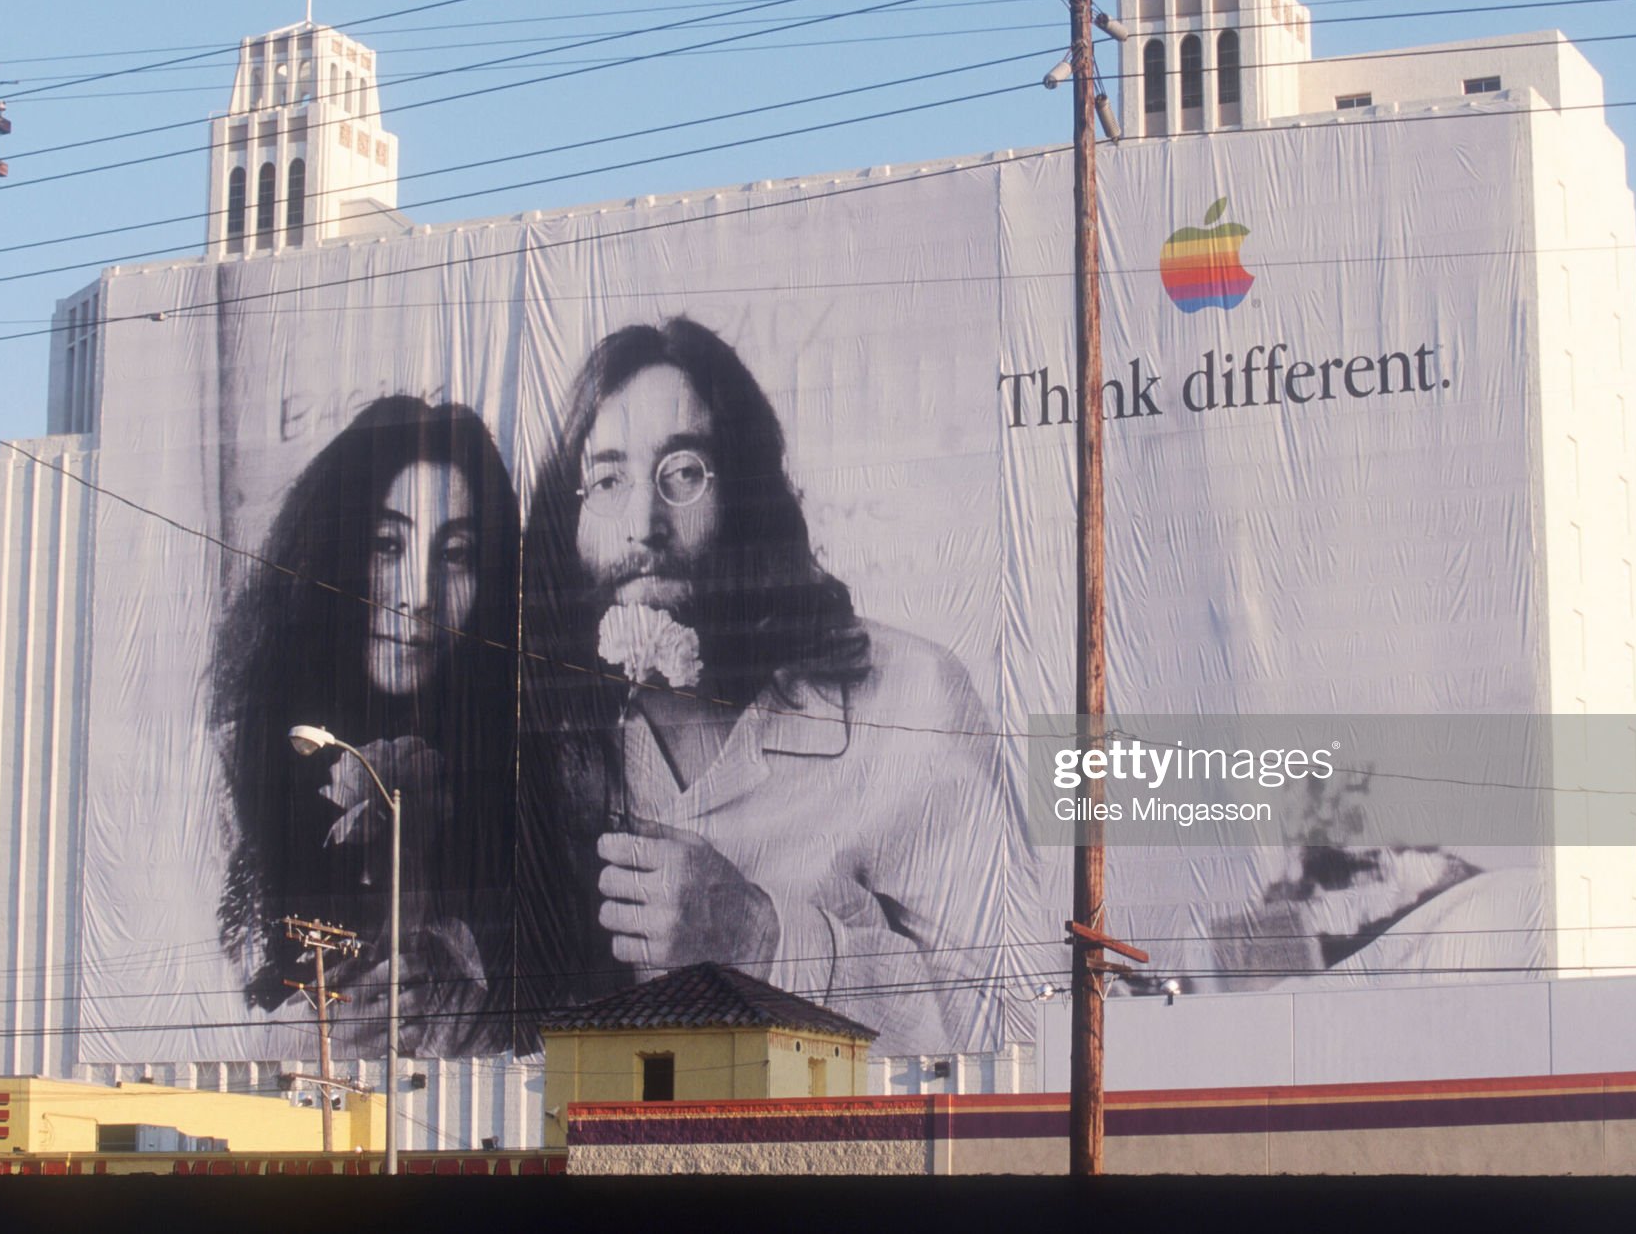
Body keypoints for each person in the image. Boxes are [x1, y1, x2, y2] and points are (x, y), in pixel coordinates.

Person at [516, 318, 1029, 1055]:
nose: (644, 526)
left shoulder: (912, 697)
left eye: (684, 471)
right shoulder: (533, 736)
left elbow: (1010, 1024)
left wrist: (760, 937)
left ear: (749, 491)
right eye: (606, 479)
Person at [211, 394, 520, 1056]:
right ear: (330, 552)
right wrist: (307, 1038)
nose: (421, 595)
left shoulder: (522, 767)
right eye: (386, 544)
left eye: (457, 554)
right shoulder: (237, 761)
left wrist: (463, 989)